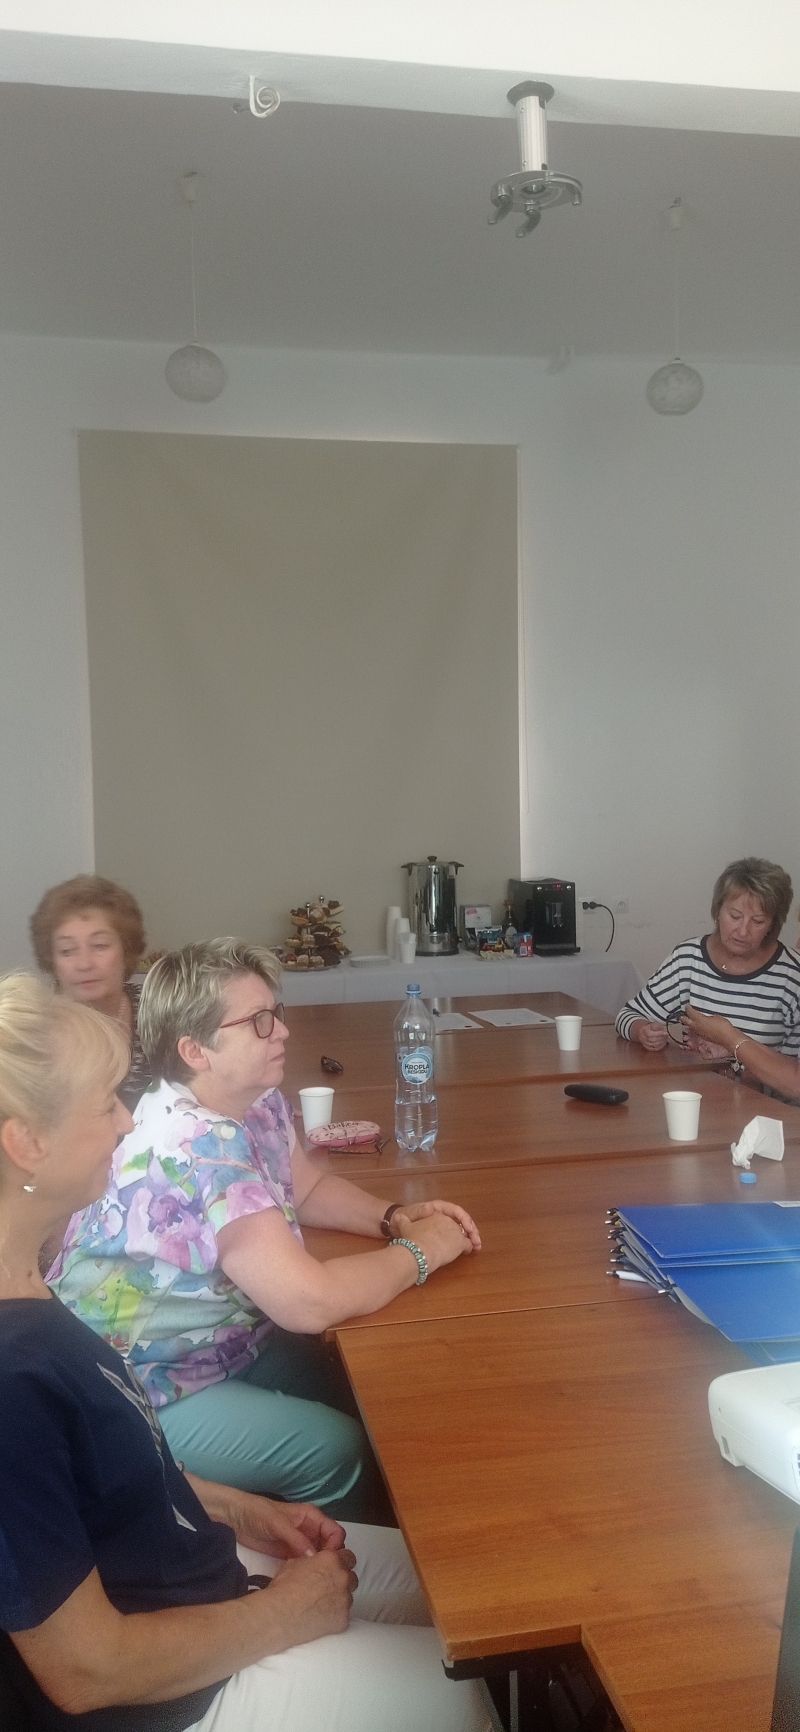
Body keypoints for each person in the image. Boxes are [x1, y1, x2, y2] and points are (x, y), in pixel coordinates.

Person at [0, 974, 490, 1732]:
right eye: (104, 1106)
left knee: (460, 1592)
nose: (128, 1121)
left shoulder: (31, 1288)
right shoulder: (11, 1382)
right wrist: (284, 1615)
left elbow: (109, 1476)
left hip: (192, 1569)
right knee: (460, 1690)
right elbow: (84, 1671)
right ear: (26, 1142)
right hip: (168, 1696)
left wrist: (242, 1510)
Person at [50, 938, 480, 1518]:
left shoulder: (254, 1103)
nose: (282, 1031)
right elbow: (307, 1301)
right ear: (195, 1049)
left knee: (369, 1391)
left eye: (275, 1013)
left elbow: (306, 1188)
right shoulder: (198, 1143)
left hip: (211, 1343)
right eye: (258, 1022)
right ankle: (350, 1563)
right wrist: (420, 1253)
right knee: (340, 1449)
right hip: (129, 1391)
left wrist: (392, 1218)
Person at [615, 858, 800, 1067]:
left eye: (757, 921)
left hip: (758, 1089)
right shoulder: (689, 958)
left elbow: (793, 1076)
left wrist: (733, 1056)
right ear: (717, 911)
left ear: (773, 924)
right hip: (695, 1085)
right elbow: (627, 1015)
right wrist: (643, 1031)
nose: (743, 931)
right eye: (735, 916)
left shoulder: (792, 975)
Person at [30, 874, 153, 1110]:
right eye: (67, 951)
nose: (84, 964)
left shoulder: (159, 1013)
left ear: (126, 950)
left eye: (99, 946)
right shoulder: (34, 1034)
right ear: (51, 960)